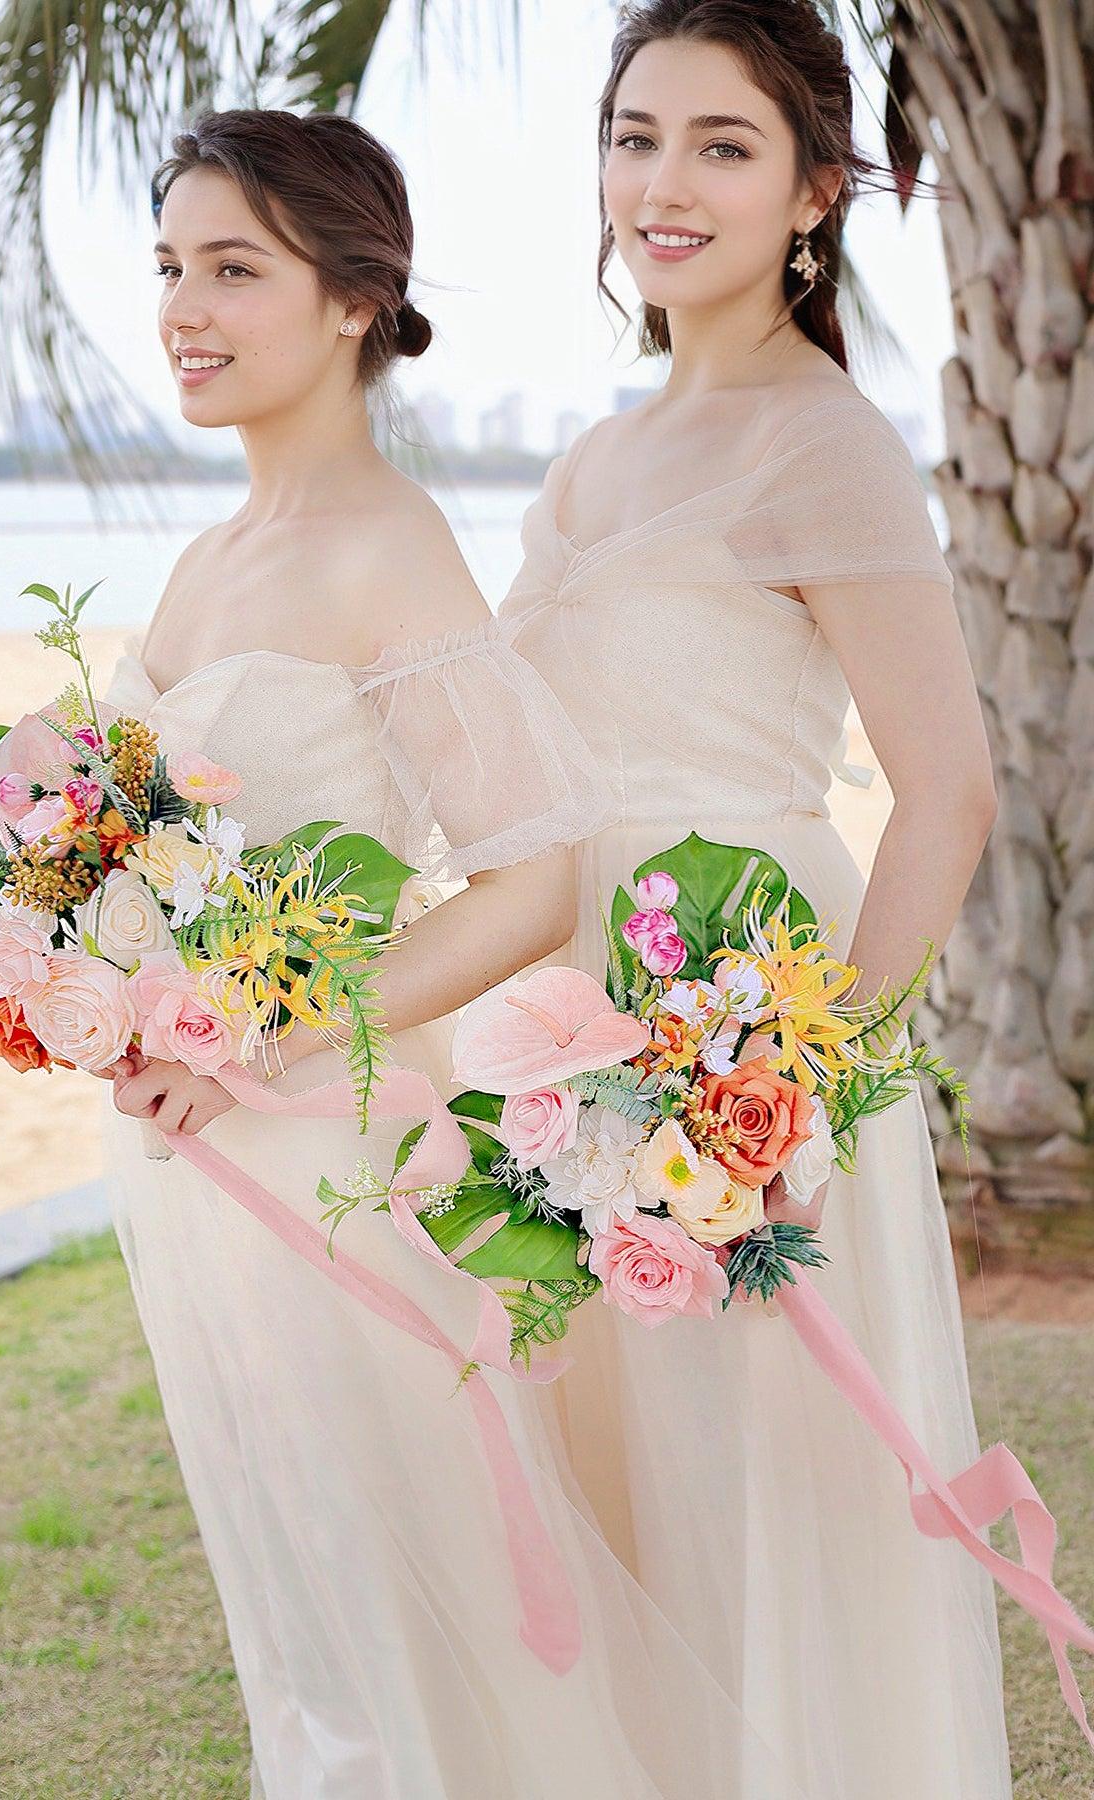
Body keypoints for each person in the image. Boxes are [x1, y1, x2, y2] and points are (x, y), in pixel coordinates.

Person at [101, 107, 808, 1799]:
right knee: (307, 1614)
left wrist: (265, 1041)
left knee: (419, 1610)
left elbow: (528, 889)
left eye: (233, 269)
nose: (185, 310)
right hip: (188, 1170)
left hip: (332, 1152)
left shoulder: (388, 547)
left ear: (355, 299)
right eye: (170, 270)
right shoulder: (211, 555)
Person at [493, 3, 1014, 1794]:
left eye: (722, 144)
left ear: (814, 189)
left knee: (753, 1487)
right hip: (574, 1008)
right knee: (608, 1490)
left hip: (743, 1011)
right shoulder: (591, 459)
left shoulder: (826, 444)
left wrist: (801, 1093)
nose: (664, 180)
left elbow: (947, 795)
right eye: (638, 135)